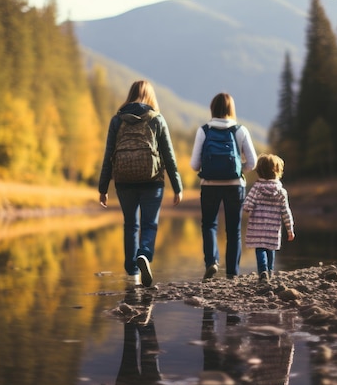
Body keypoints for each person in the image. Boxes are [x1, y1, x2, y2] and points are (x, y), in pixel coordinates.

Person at [99, 80, 183, 287]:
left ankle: (132, 272)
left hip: (124, 180)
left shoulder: (117, 120)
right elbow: (169, 156)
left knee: (131, 224)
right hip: (152, 180)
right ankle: (144, 253)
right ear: (150, 96)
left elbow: (109, 154)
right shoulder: (156, 119)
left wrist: (103, 188)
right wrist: (178, 186)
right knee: (149, 223)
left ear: (130, 95)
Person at [190, 93, 257, 280]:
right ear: (231, 109)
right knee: (233, 229)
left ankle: (212, 262)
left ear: (212, 108)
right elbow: (253, 162)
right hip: (235, 185)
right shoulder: (240, 130)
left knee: (209, 225)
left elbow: (194, 165)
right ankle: (232, 273)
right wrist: (239, 168)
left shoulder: (203, 130)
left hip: (209, 185)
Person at [242, 153, 294, 282]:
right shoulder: (281, 191)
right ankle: (269, 273)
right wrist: (290, 229)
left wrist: (246, 207)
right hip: (273, 228)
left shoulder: (257, 188)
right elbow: (286, 212)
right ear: (277, 171)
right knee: (271, 250)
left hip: (257, 228)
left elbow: (247, 205)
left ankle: (263, 272)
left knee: (260, 250)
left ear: (259, 171)